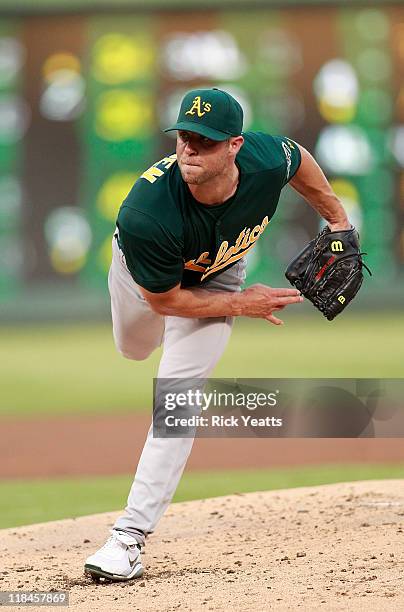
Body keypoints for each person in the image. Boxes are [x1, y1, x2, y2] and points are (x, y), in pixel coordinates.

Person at [84, 88, 350, 582]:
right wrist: (242, 305)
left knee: (177, 399)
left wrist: (337, 218)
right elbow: (164, 301)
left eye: (204, 141)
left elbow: (300, 160)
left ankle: (128, 538)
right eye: (184, 137)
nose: (189, 148)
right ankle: (174, 333)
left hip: (221, 271)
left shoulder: (266, 158)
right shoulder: (147, 213)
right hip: (146, 277)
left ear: (234, 146)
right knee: (135, 348)